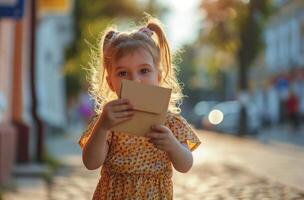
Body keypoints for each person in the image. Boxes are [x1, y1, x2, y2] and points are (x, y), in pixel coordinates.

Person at [78, 16, 201, 199]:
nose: (135, 80)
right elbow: (91, 162)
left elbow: (185, 165)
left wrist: (173, 146)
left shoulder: (170, 121)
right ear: (110, 82)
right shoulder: (108, 120)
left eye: (144, 70)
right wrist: (103, 125)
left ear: (158, 76)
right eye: (123, 73)